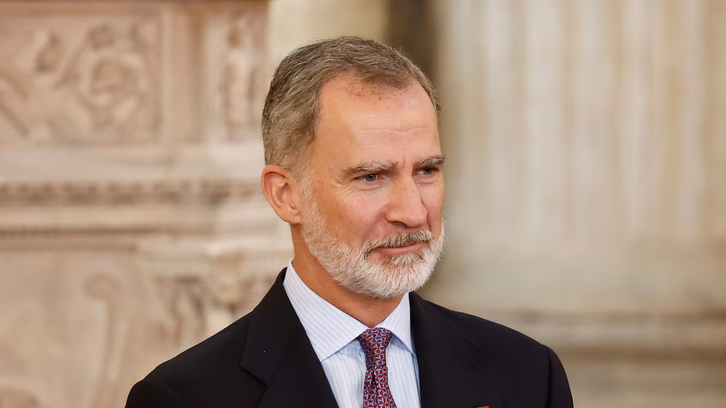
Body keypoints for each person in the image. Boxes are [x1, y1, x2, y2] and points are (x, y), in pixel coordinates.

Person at [125, 36, 573, 408]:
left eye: (426, 170)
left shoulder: (529, 377)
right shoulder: (185, 398)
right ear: (286, 195)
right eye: (371, 177)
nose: (413, 212)